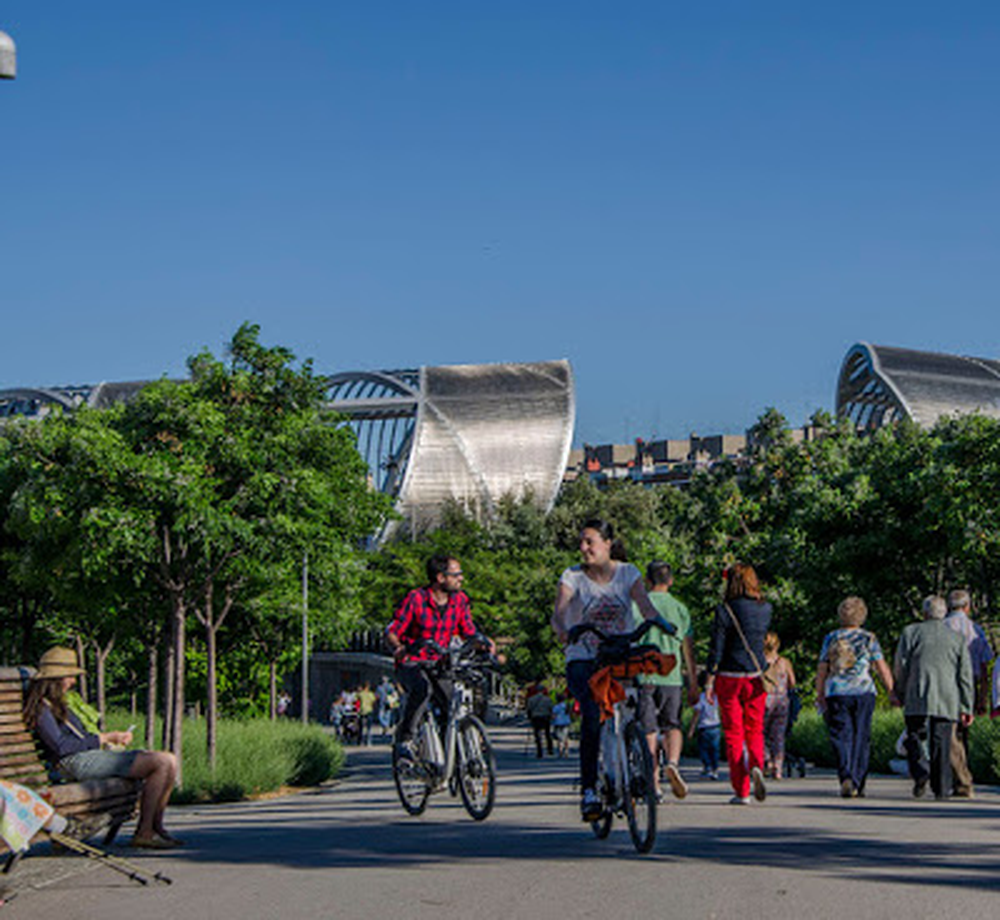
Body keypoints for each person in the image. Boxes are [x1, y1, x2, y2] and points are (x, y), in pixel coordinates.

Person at [550, 518, 673, 821]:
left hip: (618, 652)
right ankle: (589, 790)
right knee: (593, 715)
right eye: (581, 542)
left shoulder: (628, 573)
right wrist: (564, 630)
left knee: (637, 705)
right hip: (584, 657)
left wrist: (659, 621)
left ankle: (635, 763)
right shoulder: (572, 576)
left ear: (607, 544)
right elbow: (560, 612)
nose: (584, 548)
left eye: (590, 541)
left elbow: (644, 606)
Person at [23, 647, 181, 849]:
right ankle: (145, 832)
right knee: (161, 762)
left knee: (170, 761)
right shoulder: (41, 709)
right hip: (73, 763)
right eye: (70, 676)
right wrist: (102, 738)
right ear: (55, 679)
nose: (73, 681)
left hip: (85, 757)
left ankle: (155, 827)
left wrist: (109, 740)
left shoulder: (59, 704)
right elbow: (61, 747)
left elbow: (81, 737)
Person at [385, 554, 493, 758]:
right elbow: (392, 630)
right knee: (422, 689)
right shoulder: (416, 598)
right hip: (412, 662)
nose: (461, 578)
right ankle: (406, 739)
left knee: (452, 701)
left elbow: (468, 630)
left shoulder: (460, 600)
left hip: (440, 662)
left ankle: (451, 755)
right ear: (441, 577)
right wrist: (398, 648)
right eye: (456, 574)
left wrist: (483, 642)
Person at [894, 595, 974, 799]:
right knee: (942, 741)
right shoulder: (957, 638)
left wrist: (899, 691)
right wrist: (967, 705)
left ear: (924, 613)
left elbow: (901, 665)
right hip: (947, 696)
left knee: (914, 735)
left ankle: (921, 770)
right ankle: (942, 787)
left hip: (917, 692)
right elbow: (964, 675)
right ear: (944, 613)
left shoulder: (911, 632)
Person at [704, 563, 772, 805]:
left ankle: (742, 791)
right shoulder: (766, 609)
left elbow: (717, 647)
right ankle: (757, 765)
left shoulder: (724, 610)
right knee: (755, 728)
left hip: (728, 677)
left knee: (734, 734)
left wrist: (709, 679)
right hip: (756, 676)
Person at [816, 596, 893, 798]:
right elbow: (881, 666)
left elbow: (822, 668)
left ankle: (846, 776)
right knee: (861, 737)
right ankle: (858, 781)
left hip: (837, 691)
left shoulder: (831, 638)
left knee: (841, 736)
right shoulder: (869, 638)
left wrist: (820, 693)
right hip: (863, 691)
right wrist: (891, 690)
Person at [633, 561, 698, 801]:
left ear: (647, 581)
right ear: (670, 581)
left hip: (645, 675)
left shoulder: (638, 605)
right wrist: (693, 683)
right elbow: (688, 649)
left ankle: (654, 783)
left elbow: (630, 640)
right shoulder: (680, 609)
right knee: (672, 725)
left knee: (649, 729)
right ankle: (672, 762)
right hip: (672, 677)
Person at [944, 589, 993, 797]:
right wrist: (983, 697)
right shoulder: (976, 630)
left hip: (946, 682)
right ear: (967, 607)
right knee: (964, 731)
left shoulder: (942, 627)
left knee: (948, 730)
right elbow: (984, 667)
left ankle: (957, 777)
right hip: (970, 683)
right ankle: (962, 776)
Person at [762, 631, 796, 781]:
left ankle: (767, 761)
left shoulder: (759, 661)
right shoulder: (785, 662)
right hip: (782, 703)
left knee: (760, 733)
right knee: (778, 736)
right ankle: (778, 769)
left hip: (764, 701)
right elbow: (792, 683)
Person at [687, 670, 721, 779]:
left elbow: (696, 714)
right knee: (715, 749)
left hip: (704, 727)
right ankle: (715, 768)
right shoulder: (716, 696)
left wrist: (691, 729)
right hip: (716, 726)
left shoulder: (701, 698)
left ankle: (707, 767)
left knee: (704, 750)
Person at [525, 683, 555, 758]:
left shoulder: (531, 699)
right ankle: (550, 749)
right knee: (547, 734)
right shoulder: (548, 699)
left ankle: (539, 751)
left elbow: (529, 709)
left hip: (536, 717)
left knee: (537, 734)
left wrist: (529, 716)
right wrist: (551, 715)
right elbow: (551, 708)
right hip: (545, 717)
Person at [552, 691, 573, 758]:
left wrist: (552, 719)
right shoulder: (567, 706)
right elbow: (570, 714)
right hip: (566, 722)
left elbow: (553, 715)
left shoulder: (556, 707)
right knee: (566, 737)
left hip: (558, 723)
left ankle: (560, 750)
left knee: (559, 738)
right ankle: (566, 750)